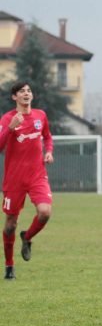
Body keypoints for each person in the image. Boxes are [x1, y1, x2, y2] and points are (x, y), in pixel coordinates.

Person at [0, 82, 54, 280]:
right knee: (10, 224)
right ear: (14, 97)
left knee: (45, 212)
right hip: (14, 179)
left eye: (29, 90)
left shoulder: (40, 116)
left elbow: (48, 137)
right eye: (22, 91)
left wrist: (48, 152)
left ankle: (28, 237)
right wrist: (10, 129)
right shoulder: (7, 119)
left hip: (37, 175)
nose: (26, 93)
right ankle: (9, 266)